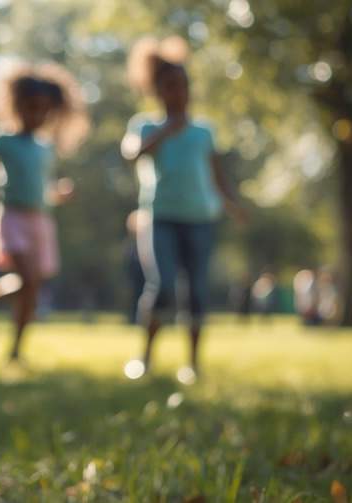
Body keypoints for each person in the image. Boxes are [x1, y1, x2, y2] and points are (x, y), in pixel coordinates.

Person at [119, 37, 245, 382]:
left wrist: (233, 205)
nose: (178, 93)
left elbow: (217, 176)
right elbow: (131, 154)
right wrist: (164, 132)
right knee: (161, 286)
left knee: (197, 291)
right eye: (170, 87)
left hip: (201, 219)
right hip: (160, 218)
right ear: (156, 91)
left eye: (183, 86)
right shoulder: (145, 126)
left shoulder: (204, 131)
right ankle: (144, 357)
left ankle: (193, 364)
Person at [0, 61, 89, 363]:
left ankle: (6, 332)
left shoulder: (45, 147)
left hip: (40, 220)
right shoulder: (1, 138)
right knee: (29, 280)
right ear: (16, 105)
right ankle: (4, 332)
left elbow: (42, 189)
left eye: (44, 109)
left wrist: (60, 193)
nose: (38, 115)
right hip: (10, 217)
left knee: (31, 285)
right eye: (31, 107)